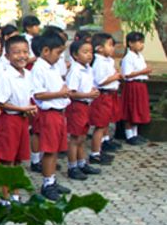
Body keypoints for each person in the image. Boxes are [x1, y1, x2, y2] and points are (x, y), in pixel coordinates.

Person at [30, 34, 72, 201]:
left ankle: (52, 179)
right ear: (45, 51)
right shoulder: (39, 68)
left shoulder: (52, 67)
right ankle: (47, 183)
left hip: (59, 112)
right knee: (50, 150)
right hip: (48, 114)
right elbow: (38, 94)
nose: (60, 56)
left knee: (56, 149)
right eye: (58, 52)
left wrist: (62, 91)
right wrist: (60, 93)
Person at [0, 35, 36, 172]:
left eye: (25, 52)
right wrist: (21, 108)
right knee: (7, 158)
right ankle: (5, 192)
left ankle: (14, 192)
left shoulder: (28, 74)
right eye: (16, 53)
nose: (22, 56)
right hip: (9, 120)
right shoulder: (6, 76)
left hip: (22, 119)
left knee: (18, 157)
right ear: (7, 56)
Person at [65, 39, 103, 177]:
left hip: (86, 105)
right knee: (75, 138)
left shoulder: (88, 69)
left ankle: (82, 163)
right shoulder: (75, 70)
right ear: (75, 55)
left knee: (82, 137)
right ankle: (72, 166)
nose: (89, 55)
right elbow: (71, 92)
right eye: (85, 52)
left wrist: (92, 91)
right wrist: (88, 94)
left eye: (91, 52)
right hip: (77, 106)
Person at [90, 32, 123, 163]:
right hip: (102, 95)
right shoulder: (99, 62)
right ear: (99, 48)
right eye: (109, 45)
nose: (112, 48)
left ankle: (101, 147)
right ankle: (95, 153)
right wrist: (115, 77)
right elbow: (100, 81)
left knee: (105, 124)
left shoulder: (108, 60)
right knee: (100, 125)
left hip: (110, 94)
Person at [121, 31, 152, 145]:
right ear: (130, 43)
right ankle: (129, 135)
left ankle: (135, 134)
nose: (141, 45)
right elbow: (127, 74)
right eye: (138, 42)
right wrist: (143, 71)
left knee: (138, 109)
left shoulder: (140, 56)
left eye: (142, 42)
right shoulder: (128, 57)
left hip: (141, 85)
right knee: (131, 109)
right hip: (133, 85)